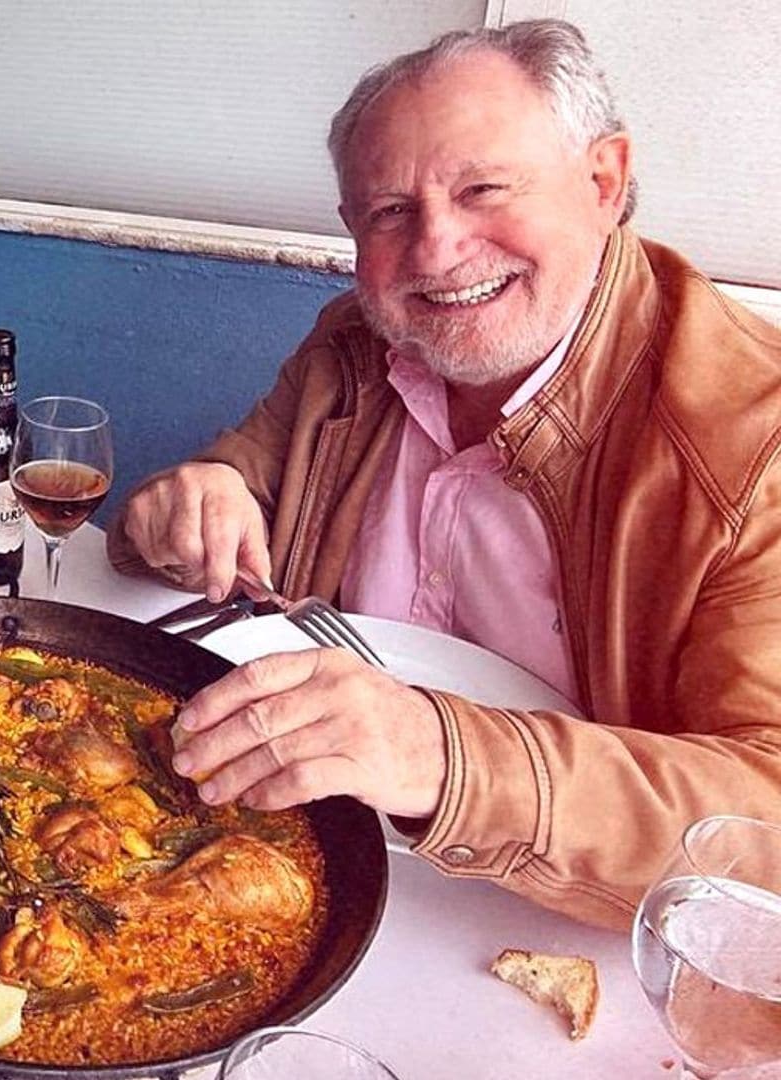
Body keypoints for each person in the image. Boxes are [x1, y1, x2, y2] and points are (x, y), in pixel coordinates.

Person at [110, 20, 781, 929]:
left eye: (484, 189)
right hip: (291, 868)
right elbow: (238, 481)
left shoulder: (753, 436)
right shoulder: (358, 339)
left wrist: (444, 757)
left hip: (568, 935)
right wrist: (199, 493)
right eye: (390, 212)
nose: (435, 249)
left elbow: (763, 826)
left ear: (604, 181)